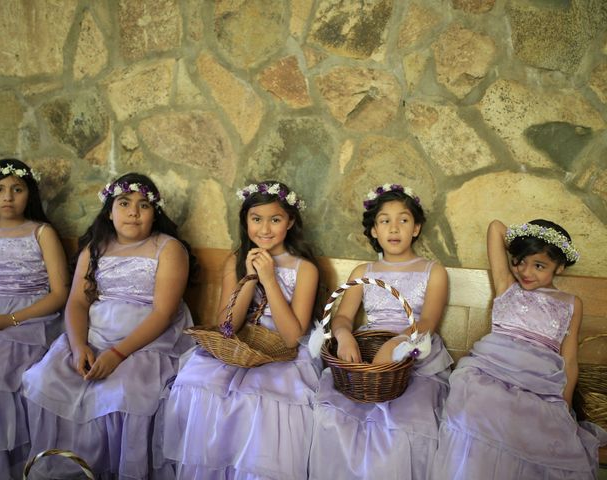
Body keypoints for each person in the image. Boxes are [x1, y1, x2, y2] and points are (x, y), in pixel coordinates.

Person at [21, 173, 196, 479]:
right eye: (124, 203)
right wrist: (78, 347)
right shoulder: (95, 248)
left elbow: (163, 313)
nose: (133, 212)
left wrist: (117, 354)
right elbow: (76, 302)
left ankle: (117, 470)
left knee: (123, 393)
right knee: (44, 378)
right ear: (109, 211)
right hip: (93, 336)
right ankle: (68, 469)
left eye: (143, 205)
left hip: (144, 343)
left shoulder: (168, 249)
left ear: (155, 213)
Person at [158, 181, 320, 480]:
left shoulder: (304, 269)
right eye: (256, 219)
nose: (265, 229)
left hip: (282, 354)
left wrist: (269, 280)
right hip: (239, 345)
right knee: (198, 382)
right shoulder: (236, 260)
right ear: (245, 221)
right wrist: (248, 276)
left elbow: (291, 338)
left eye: (276, 219)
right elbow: (228, 327)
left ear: (291, 222)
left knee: (259, 398)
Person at [430, 219, 607, 479]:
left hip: (539, 383)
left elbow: (569, 360)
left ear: (560, 266)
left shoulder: (571, 303)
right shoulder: (507, 285)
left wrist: (564, 406)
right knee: (479, 406)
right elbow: (494, 228)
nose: (526, 271)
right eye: (520, 261)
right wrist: (527, 238)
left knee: (539, 429)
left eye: (539, 265)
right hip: (490, 372)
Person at [308, 183, 452, 480]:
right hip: (368, 347)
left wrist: (400, 342)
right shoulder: (364, 272)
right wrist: (345, 335)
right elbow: (343, 316)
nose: (394, 227)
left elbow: (427, 323)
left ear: (416, 227)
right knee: (334, 415)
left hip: (415, 352)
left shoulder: (433, 271)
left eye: (404, 219)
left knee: (404, 423)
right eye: (385, 220)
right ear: (374, 230)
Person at [0, 159, 69, 478]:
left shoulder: (42, 232)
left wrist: (8, 320)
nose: (7, 196)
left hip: (30, 320)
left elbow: (59, 293)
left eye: (16, 189)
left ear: (29, 194)